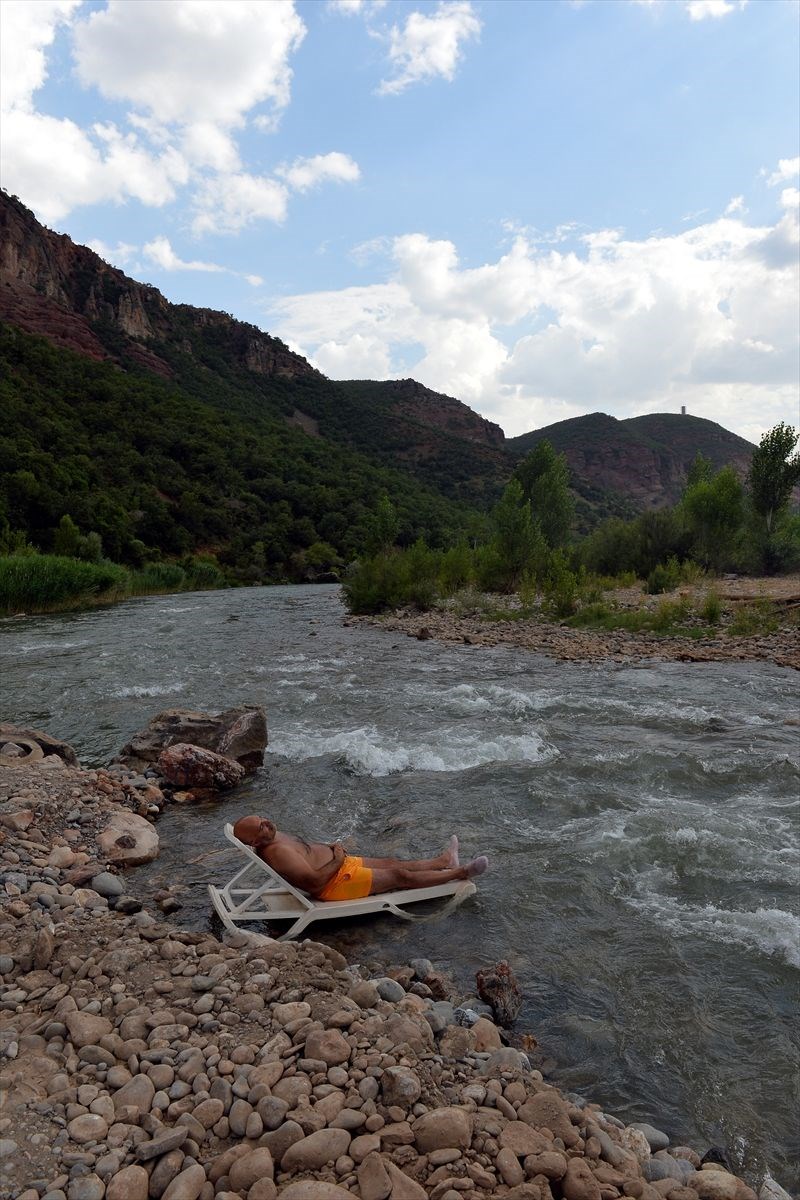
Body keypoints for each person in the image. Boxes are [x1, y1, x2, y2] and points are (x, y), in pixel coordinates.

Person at [232, 815, 489, 901]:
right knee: (399, 876)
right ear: (255, 842)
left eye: (262, 818)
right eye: (261, 826)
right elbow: (314, 882)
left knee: (392, 862)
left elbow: (307, 852)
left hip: (340, 865)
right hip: (335, 883)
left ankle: (444, 862)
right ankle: (461, 873)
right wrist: (336, 858)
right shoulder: (278, 853)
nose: (267, 823)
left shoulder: (271, 837)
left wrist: (331, 850)